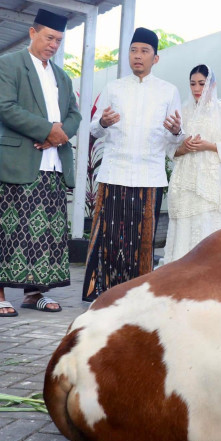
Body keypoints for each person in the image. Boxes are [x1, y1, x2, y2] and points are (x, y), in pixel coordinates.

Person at [0, 8, 82, 317]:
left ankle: (34, 292)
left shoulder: (62, 76)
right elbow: (5, 107)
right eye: (49, 37)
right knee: (11, 227)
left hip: (54, 164)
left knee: (48, 232)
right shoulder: (8, 64)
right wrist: (46, 130)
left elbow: (75, 115)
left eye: (58, 40)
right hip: (20, 160)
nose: (53, 45)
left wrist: (59, 134)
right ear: (32, 33)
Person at [82, 28, 184, 302]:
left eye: (144, 51)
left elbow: (175, 141)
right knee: (109, 235)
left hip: (149, 176)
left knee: (143, 240)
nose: (137, 56)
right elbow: (94, 129)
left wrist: (176, 131)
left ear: (156, 58)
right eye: (133, 50)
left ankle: (138, 296)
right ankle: (102, 294)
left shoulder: (168, 91)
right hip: (115, 172)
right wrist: (103, 122)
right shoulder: (113, 88)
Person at [162, 64, 221, 264]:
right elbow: (170, 148)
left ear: (212, 84)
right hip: (185, 183)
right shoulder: (183, 111)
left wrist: (208, 145)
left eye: (201, 83)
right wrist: (184, 146)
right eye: (192, 84)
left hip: (212, 184)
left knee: (209, 226)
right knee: (184, 228)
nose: (196, 89)